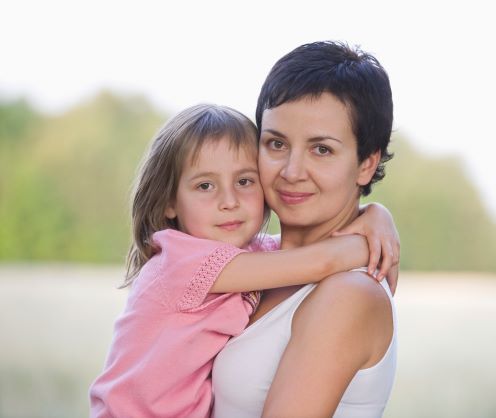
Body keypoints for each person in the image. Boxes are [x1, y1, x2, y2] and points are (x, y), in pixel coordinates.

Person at [88, 104, 398, 417]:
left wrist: (374, 213)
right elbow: (320, 261)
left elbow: (301, 253)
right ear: (169, 201)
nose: (229, 201)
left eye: (245, 181)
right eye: (205, 186)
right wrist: (371, 246)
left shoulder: (249, 256)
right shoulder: (178, 261)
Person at [211, 41, 398, 417]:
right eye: (276, 143)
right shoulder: (253, 261)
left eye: (322, 150)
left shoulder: (349, 294)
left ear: (366, 163)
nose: (292, 172)